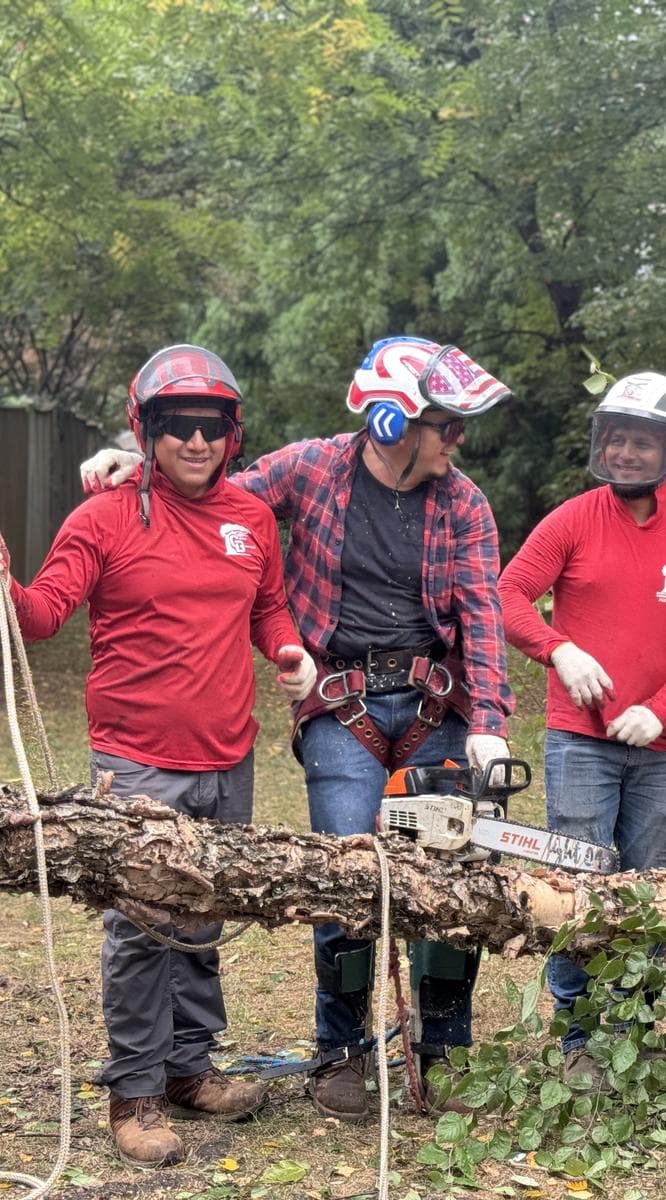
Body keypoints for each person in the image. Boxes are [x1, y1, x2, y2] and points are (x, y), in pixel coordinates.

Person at [79, 336, 514, 1121]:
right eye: (444, 423)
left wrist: (489, 723)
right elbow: (207, 495)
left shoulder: (465, 503)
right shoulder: (312, 468)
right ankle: (339, 1052)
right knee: (344, 874)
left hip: (434, 707)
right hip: (339, 704)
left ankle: (444, 1049)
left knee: (451, 881)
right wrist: (132, 466)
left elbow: (483, 614)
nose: (457, 439)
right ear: (392, 422)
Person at [0, 344, 318, 1170]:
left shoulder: (252, 518)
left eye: (211, 427)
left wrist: (289, 651)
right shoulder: (104, 516)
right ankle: (135, 1092)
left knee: (203, 915)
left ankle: (192, 1069)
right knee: (140, 926)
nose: (195, 442)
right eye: (176, 426)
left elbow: (270, 607)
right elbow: (42, 615)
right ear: (146, 430)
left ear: (233, 433)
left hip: (229, 753)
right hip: (137, 759)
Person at [497, 373, 666, 1085]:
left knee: (648, 883)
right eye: (618, 439)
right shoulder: (571, 519)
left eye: (644, 442)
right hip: (579, 739)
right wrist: (559, 650)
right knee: (579, 882)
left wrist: (660, 708)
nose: (627, 453)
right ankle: (579, 1038)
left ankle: (632, 1027)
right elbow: (506, 595)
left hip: (663, 747)